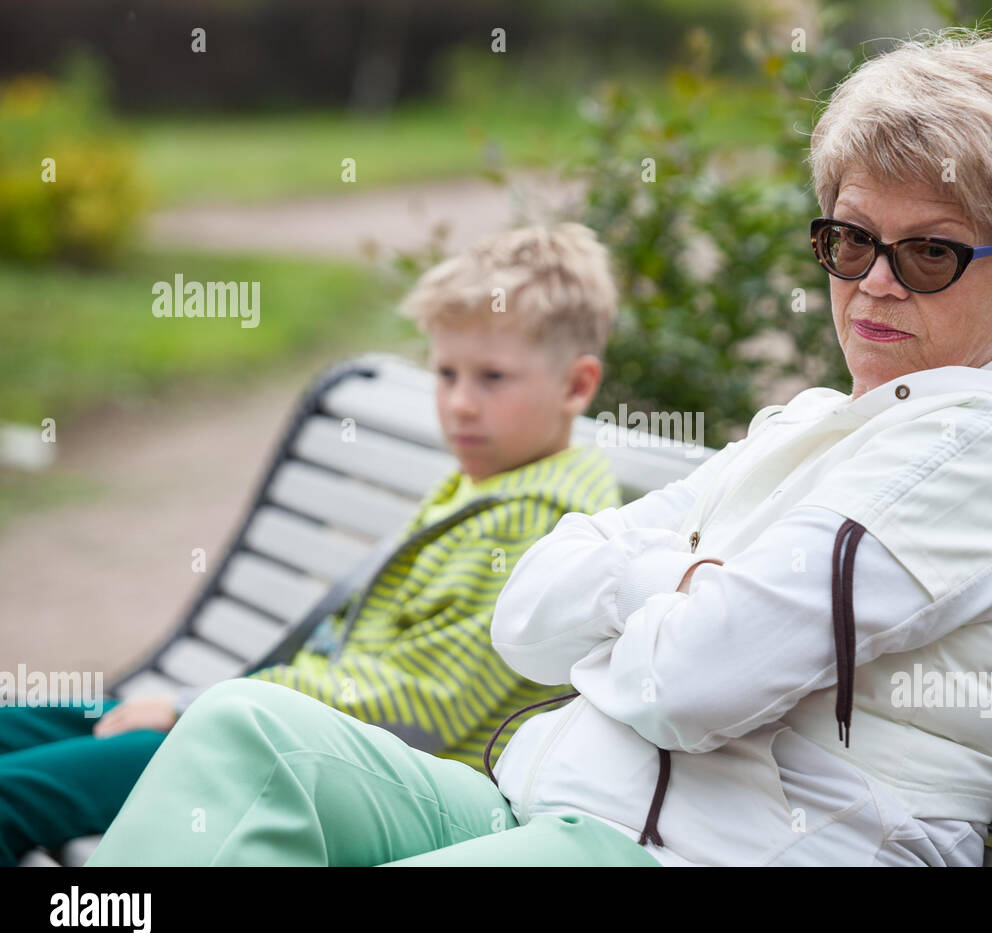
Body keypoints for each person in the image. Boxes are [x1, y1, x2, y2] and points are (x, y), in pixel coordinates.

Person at [87, 27, 992, 867]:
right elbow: (524, 615)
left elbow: (694, 683)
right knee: (247, 731)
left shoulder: (974, 448)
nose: (873, 282)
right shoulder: (815, 424)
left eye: (932, 252)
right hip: (548, 813)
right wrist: (686, 580)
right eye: (850, 238)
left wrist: (652, 590)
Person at [1, 222, 621, 866]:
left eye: (492, 378)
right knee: (17, 727)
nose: (460, 404)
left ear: (576, 386)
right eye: (446, 374)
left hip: (346, 767)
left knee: (9, 795)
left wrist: (188, 708)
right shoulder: (497, 477)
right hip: (286, 723)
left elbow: (417, 706)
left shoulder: (540, 519)